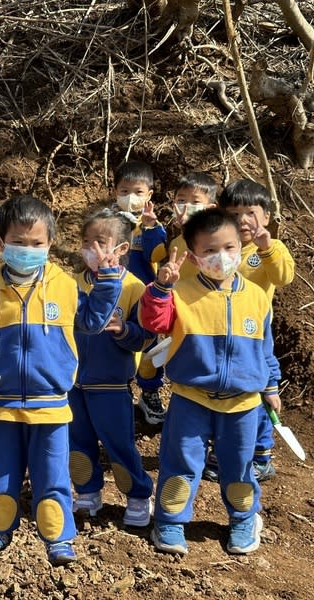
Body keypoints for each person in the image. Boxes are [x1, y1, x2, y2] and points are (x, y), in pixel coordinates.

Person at [0, 194, 122, 566]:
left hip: (51, 407)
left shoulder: (65, 285)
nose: (28, 249)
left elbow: (93, 321)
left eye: (37, 243)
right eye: (19, 242)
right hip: (1, 407)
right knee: (0, 478)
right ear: (0, 243)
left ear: (50, 243)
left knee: (52, 479)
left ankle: (58, 539)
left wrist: (109, 280)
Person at [140, 208, 281, 556]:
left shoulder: (257, 297)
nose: (222, 257)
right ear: (193, 255)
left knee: (239, 466)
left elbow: (265, 348)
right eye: (210, 251)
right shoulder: (181, 293)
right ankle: (170, 522)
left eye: (230, 248)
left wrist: (271, 386)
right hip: (192, 399)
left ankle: (244, 518)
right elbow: (153, 322)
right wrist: (160, 287)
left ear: (240, 244)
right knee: (181, 463)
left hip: (243, 405)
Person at [202, 179, 295, 483]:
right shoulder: (222, 248)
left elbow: (283, 277)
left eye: (250, 213)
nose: (243, 220)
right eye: (234, 213)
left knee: (258, 393)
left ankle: (261, 454)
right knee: (225, 389)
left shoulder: (270, 248)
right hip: (221, 332)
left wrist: (267, 248)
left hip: (255, 334)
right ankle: (221, 449)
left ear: (266, 216)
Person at [69, 208, 155, 527]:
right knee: (78, 443)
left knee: (120, 445)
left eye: (100, 241)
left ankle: (138, 496)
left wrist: (125, 332)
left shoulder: (135, 288)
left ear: (120, 249)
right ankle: (88, 492)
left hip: (112, 386)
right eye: (87, 240)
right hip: (74, 385)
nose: (92, 247)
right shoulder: (72, 284)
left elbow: (146, 336)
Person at [112, 160, 167, 425]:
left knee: (149, 348)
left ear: (149, 195)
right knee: (117, 342)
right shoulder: (107, 223)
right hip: (116, 295)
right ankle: (119, 391)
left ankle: (149, 392)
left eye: (137, 192)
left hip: (145, 297)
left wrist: (150, 228)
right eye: (123, 191)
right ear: (114, 193)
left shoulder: (152, 227)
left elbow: (158, 255)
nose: (130, 198)